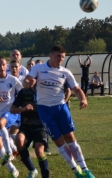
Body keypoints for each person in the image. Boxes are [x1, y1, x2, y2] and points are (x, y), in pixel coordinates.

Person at [23, 46, 95, 178]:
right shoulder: (38, 68)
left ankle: (86, 170)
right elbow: (26, 81)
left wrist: (83, 99)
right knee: (59, 142)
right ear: (50, 56)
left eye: (62, 57)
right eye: (58, 56)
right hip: (45, 110)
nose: (60, 59)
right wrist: (29, 82)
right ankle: (76, 170)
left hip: (61, 108)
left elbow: (77, 89)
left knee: (71, 138)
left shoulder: (65, 72)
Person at [10, 85, 49, 178]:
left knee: (39, 151)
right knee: (19, 141)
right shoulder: (23, 92)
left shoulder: (45, 91)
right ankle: (32, 170)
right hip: (26, 126)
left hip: (41, 127)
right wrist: (23, 109)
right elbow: (12, 109)